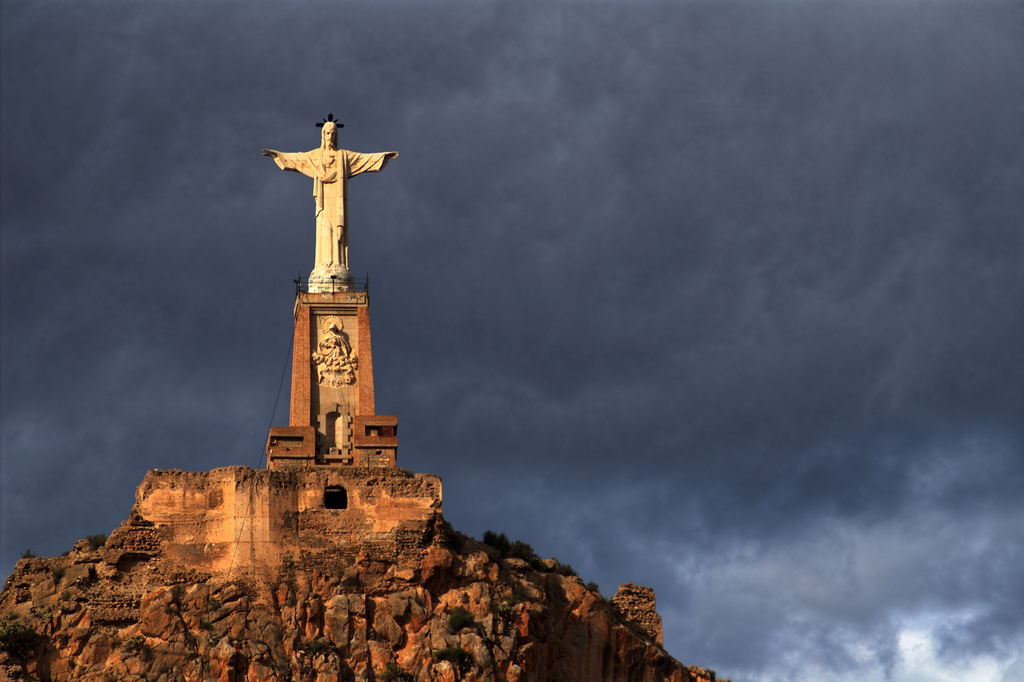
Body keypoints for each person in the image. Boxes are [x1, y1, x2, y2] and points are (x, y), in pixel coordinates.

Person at [263, 121, 398, 270]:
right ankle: (324, 263)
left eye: (333, 133)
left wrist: (383, 156)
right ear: (323, 135)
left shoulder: (343, 156)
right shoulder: (316, 156)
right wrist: (278, 155)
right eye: (328, 133)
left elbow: (363, 159)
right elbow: (298, 159)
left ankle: (338, 264)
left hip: (338, 203)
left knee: (338, 228)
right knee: (324, 227)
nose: (330, 136)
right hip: (323, 202)